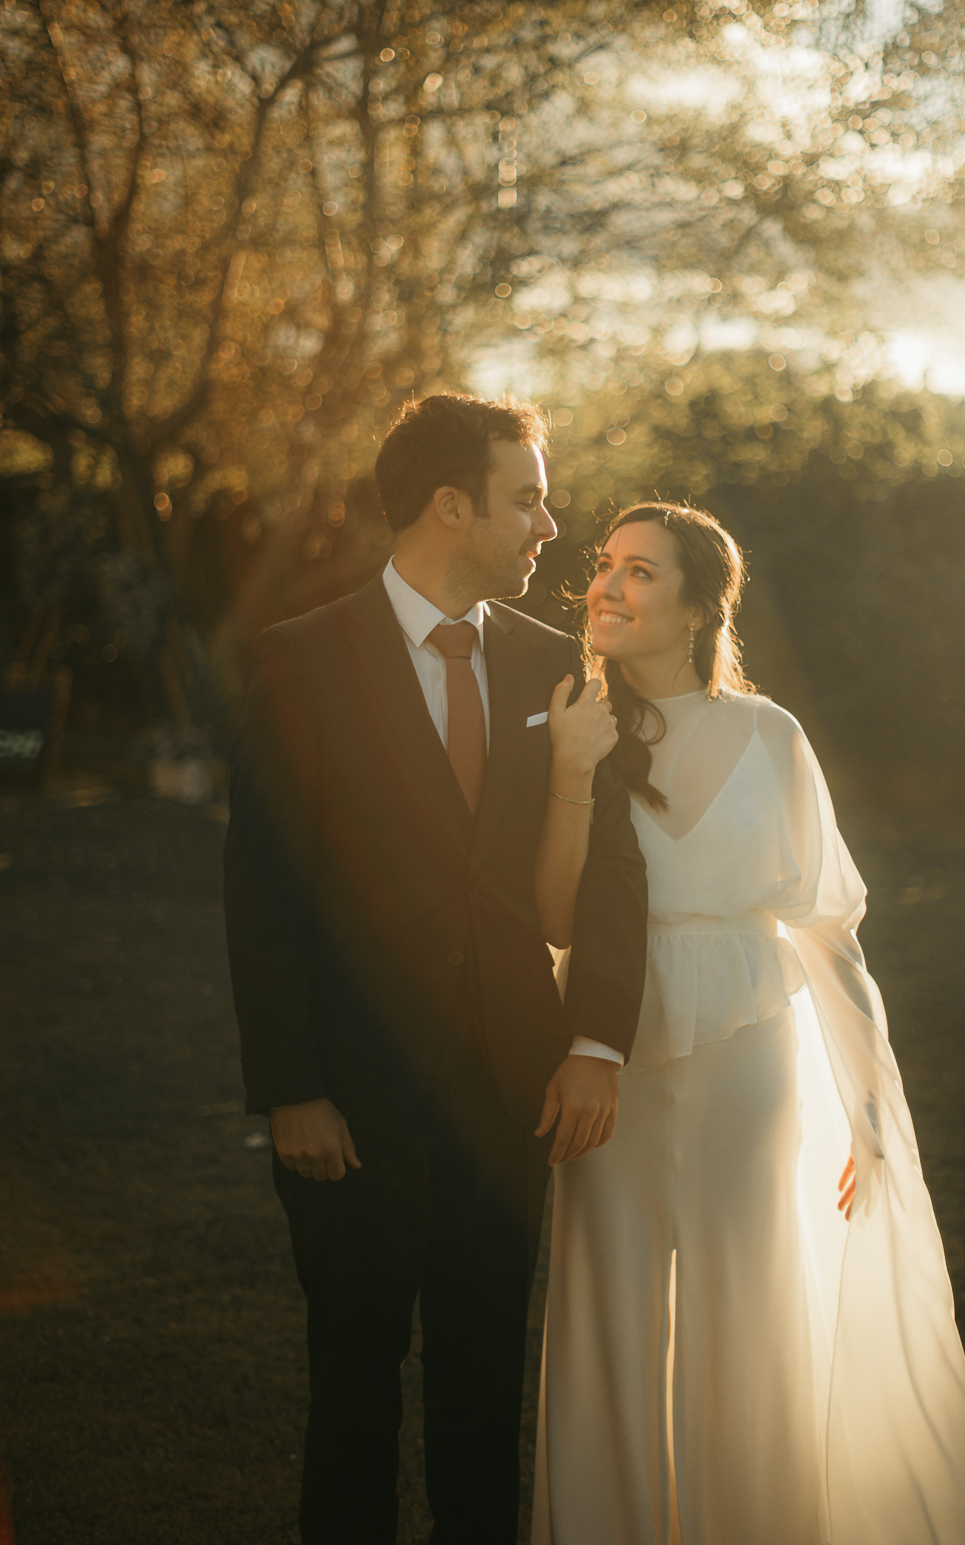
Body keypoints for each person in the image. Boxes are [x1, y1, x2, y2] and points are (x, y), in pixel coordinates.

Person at [532, 501, 965, 1545]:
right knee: (609, 1310)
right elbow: (554, 915)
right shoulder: (576, 722)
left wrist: (870, 1108)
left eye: (641, 572)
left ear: (701, 605)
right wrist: (567, 770)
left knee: (747, 1309)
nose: (606, 586)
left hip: (750, 1053)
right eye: (604, 567)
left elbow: (830, 937)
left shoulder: (770, 736)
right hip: (610, 1049)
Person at [223, 394, 648, 1545]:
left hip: (505, 1095)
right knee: (351, 1393)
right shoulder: (303, 662)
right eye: (529, 499)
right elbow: (264, 892)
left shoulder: (558, 665)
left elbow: (611, 875)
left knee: (482, 1398)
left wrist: (595, 1041)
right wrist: (292, 1087)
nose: (550, 526)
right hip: (348, 1104)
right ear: (451, 507)